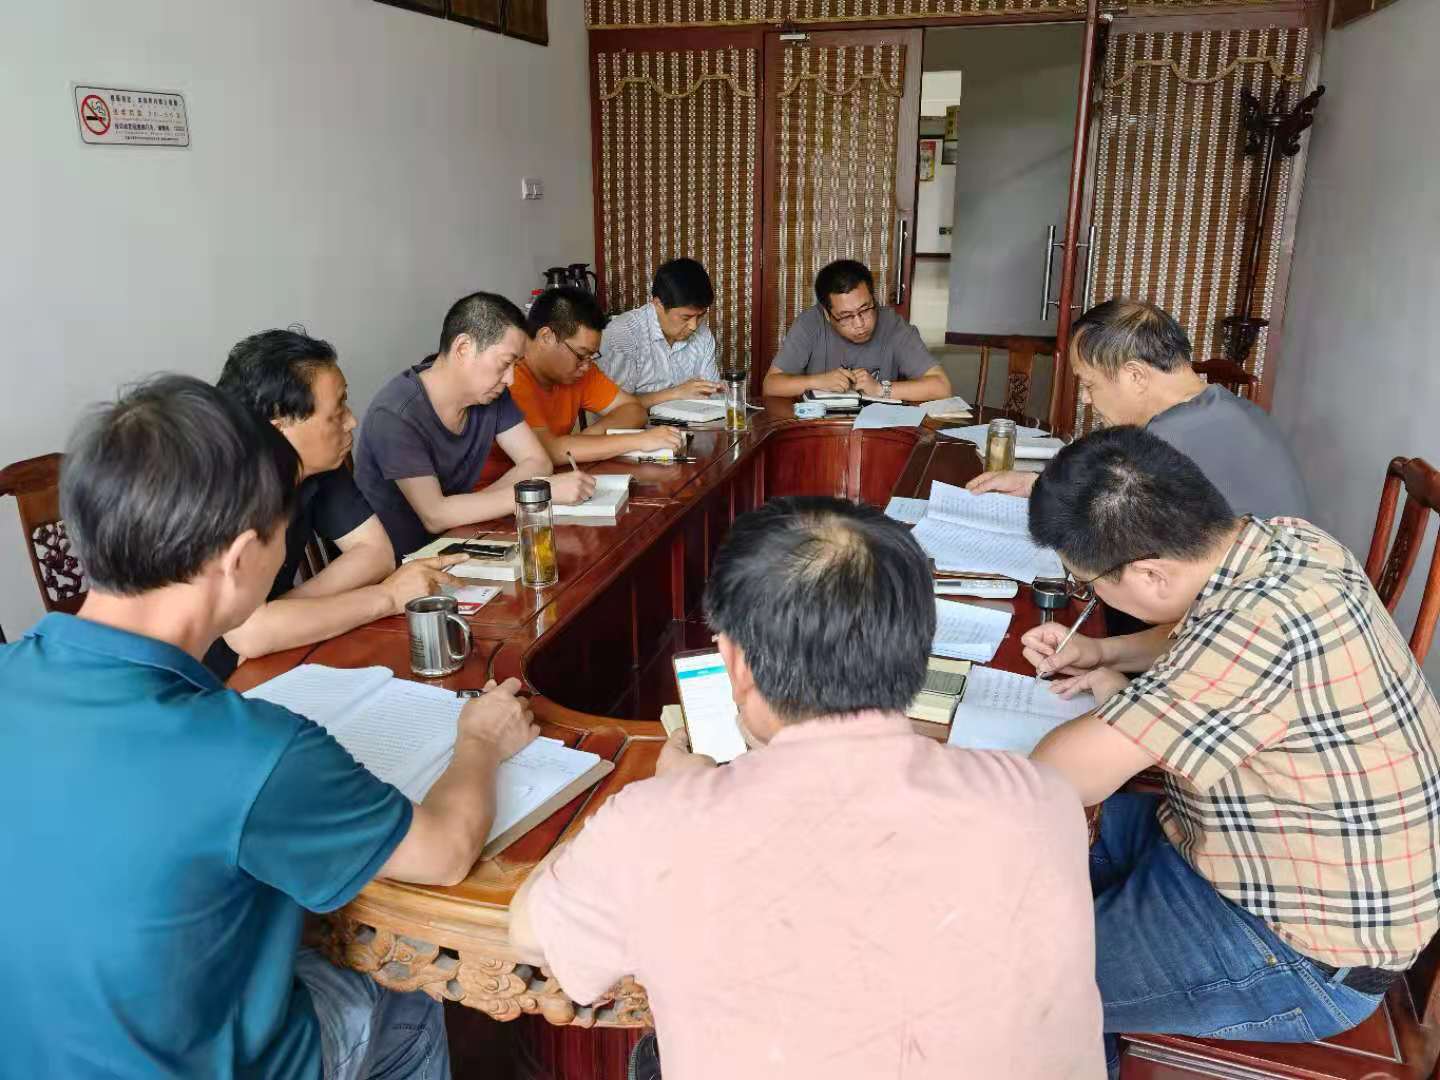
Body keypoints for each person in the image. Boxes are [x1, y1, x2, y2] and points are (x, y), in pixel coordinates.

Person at [0, 374, 538, 1077]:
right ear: (238, 559)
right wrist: (481, 740)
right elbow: (444, 851)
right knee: (404, 993)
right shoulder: (252, 751)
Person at [508, 496, 1104, 1079]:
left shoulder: (655, 826)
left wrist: (668, 801)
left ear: (735, 662)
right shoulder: (1040, 798)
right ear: (919, 652)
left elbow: (529, 934)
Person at [1022, 425, 1440, 1076]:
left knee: (1023, 986)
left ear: (1151, 573)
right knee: (1030, 860)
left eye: (1089, 584)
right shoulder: (1287, 543)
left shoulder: (1259, 627)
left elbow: (1057, 776)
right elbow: (1191, 631)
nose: (1089, 599)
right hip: (1227, 849)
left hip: (1302, 952)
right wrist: (1103, 650)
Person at [204, 328, 465, 679]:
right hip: (202, 681)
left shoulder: (320, 464)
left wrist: (281, 613)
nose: (352, 421)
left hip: (276, 652)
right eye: (337, 410)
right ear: (279, 430)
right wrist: (388, 597)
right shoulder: (220, 489)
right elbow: (251, 635)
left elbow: (376, 553)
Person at [968, 299, 1310, 520]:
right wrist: (1036, 486)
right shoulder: (1222, 408)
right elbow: (1106, 492)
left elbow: (1108, 525)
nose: (1085, 398)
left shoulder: (1169, 440)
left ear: (1135, 376)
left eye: (1089, 384)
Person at [354, 291, 595, 559]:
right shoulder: (396, 414)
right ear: (463, 348)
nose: (511, 379)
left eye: (515, 365)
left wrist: (467, 508)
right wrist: (535, 493)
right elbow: (435, 516)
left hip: (465, 542)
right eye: (505, 363)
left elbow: (537, 462)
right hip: (403, 565)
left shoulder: (491, 394)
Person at [500, 287, 684, 467]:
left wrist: (589, 436)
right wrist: (638, 441)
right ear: (546, 336)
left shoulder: (580, 370)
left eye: (591, 356)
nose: (587, 365)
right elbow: (547, 451)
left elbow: (634, 410)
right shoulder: (511, 377)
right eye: (581, 354)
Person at [761, 259, 952, 403]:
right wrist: (818, 381)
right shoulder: (809, 324)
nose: (860, 323)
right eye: (845, 316)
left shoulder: (893, 325)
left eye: (865, 309)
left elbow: (942, 387)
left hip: (880, 430)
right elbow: (771, 385)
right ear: (827, 314)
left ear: (873, 298)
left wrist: (880, 389)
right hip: (821, 430)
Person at [598, 257, 724, 407]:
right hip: (635, 422)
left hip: (693, 420)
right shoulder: (624, 333)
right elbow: (609, 406)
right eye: (686, 317)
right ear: (658, 304)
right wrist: (675, 394)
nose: (693, 326)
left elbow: (713, 398)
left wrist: (721, 392)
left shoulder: (703, 334)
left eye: (701, 315)